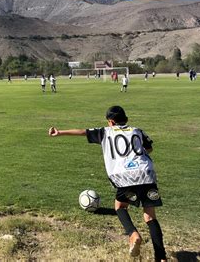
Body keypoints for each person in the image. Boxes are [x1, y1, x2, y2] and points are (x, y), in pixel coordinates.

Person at [47, 106, 167, 261]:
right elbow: (149, 149)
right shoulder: (137, 130)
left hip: (125, 177)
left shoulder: (105, 131)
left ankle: (133, 234)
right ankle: (161, 257)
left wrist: (60, 132)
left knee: (120, 206)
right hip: (146, 173)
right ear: (127, 119)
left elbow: (83, 131)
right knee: (150, 217)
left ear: (110, 122)